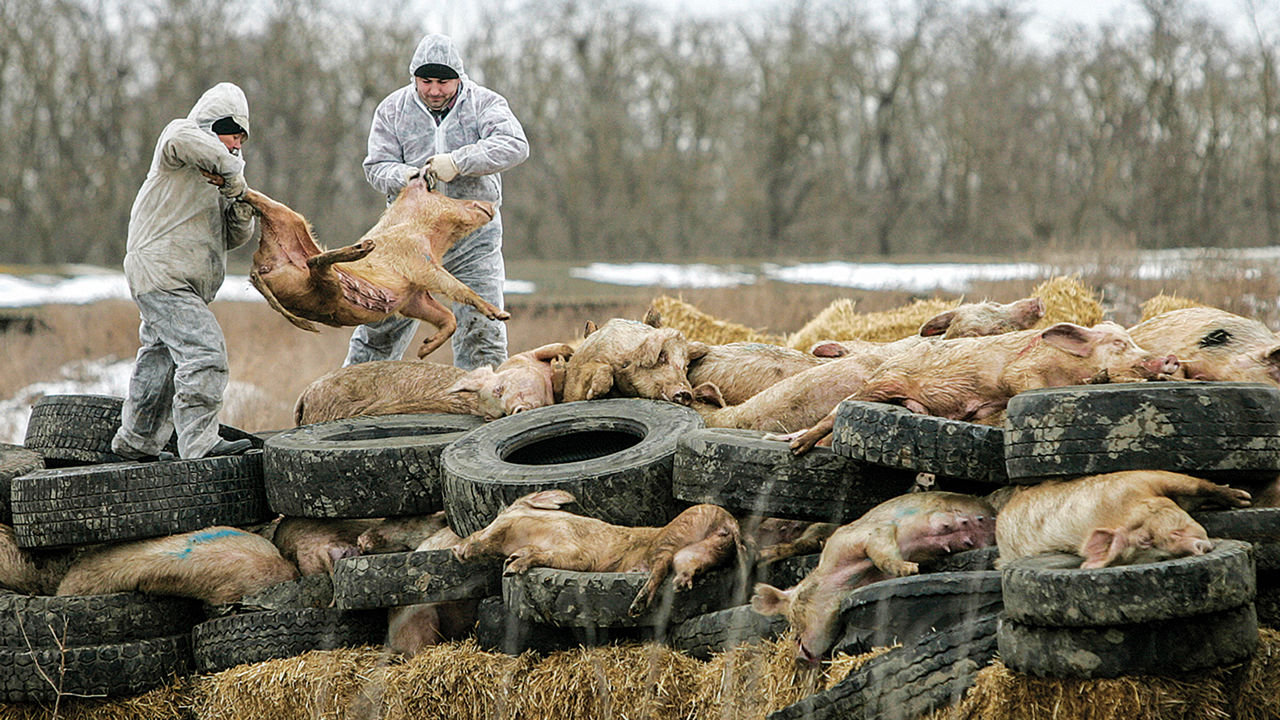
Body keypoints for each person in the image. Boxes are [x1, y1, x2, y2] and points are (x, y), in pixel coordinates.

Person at [347, 33, 529, 370]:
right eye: (426, 81)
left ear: (459, 78)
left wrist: (459, 162)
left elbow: (515, 144)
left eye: (443, 82)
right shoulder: (392, 109)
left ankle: (481, 398)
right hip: (406, 239)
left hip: (472, 239)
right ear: (414, 78)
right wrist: (403, 176)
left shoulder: (485, 104)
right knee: (379, 326)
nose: (434, 90)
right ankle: (351, 395)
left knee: (482, 332)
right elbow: (375, 166)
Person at [110, 82, 257, 461]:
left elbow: (233, 237)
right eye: (232, 132)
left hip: (180, 284)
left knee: (159, 363)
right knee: (206, 354)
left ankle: (136, 444)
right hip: (163, 276)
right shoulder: (179, 141)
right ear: (212, 125)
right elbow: (185, 139)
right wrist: (233, 174)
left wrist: (239, 202)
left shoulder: (220, 177)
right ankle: (200, 445)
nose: (237, 143)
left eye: (242, 138)